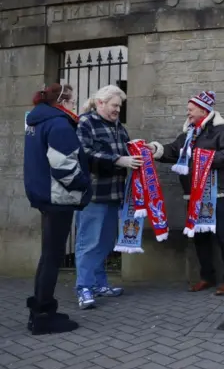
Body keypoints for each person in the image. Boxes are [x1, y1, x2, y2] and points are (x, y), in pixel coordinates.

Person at [146, 90, 224, 295]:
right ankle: (207, 277)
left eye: (191, 109)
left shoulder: (222, 130)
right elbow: (172, 151)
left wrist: (203, 159)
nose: (187, 112)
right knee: (199, 238)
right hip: (193, 194)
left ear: (203, 110)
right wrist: (153, 150)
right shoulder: (188, 133)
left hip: (217, 193)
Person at [24, 84, 92, 334]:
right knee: (52, 257)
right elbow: (64, 167)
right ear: (62, 101)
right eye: (72, 101)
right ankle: (42, 316)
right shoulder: (59, 124)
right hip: (57, 198)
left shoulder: (37, 121)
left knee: (48, 255)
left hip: (44, 195)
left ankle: (43, 308)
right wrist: (84, 185)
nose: (75, 105)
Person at [74, 85, 142, 309]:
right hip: (94, 194)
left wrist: (143, 152)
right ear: (100, 103)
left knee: (105, 242)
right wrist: (117, 160)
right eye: (114, 105)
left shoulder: (119, 128)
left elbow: (128, 150)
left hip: (115, 193)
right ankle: (83, 287)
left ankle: (99, 283)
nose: (117, 110)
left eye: (120, 106)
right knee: (89, 242)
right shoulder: (86, 123)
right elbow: (84, 153)